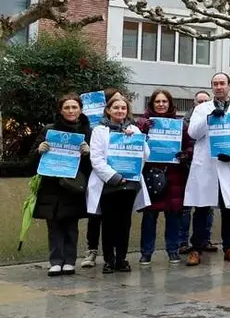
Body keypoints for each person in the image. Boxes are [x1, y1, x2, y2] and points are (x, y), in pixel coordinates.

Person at [183, 72, 230, 266]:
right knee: (201, 208)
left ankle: (229, 247)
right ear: (212, 87)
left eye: (222, 83)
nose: (219, 86)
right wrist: (208, 119)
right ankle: (196, 249)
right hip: (205, 165)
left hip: (227, 165)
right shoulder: (202, 109)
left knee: (228, 209)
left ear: (229, 86)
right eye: (215, 84)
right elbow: (193, 133)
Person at [88, 91, 150, 273]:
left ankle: (122, 258)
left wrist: (135, 139)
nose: (120, 110)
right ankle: (108, 259)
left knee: (125, 223)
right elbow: (97, 159)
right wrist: (114, 176)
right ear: (108, 110)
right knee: (108, 223)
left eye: (123, 108)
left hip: (130, 184)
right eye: (116, 107)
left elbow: (145, 155)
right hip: (109, 184)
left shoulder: (134, 130)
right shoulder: (99, 130)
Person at [31, 93, 92, 276]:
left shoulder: (88, 131)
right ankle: (56, 261)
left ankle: (70, 261)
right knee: (54, 225)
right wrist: (39, 150)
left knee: (71, 225)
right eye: (67, 107)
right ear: (60, 110)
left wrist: (88, 153)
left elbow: (94, 164)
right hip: (52, 185)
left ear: (80, 109)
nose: (71, 111)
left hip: (74, 185)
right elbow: (30, 160)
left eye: (74, 107)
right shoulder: (49, 130)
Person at [136, 89, 191, 265]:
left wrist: (185, 154)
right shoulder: (143, 123)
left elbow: (190, 145)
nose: (161, 104)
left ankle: (172, 250)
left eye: (164, 102)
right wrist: (142, 130)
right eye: (157, 101)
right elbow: (133, 145)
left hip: (174, 175)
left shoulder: (180, 125)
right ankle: (146, 252)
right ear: (152, 103)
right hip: (151, 174)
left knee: (174, 215)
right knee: (150, 216)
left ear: (170, 104)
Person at [175, 89, 215, 258]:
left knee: (207, 206)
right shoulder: (184, 122)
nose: (203, 104)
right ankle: (183, 241)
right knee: (186, 207)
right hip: (186, 167)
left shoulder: (216, 117)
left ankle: (205, 239)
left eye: (206, 101)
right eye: (200, 101)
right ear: (194, 102)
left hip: (205, 167)